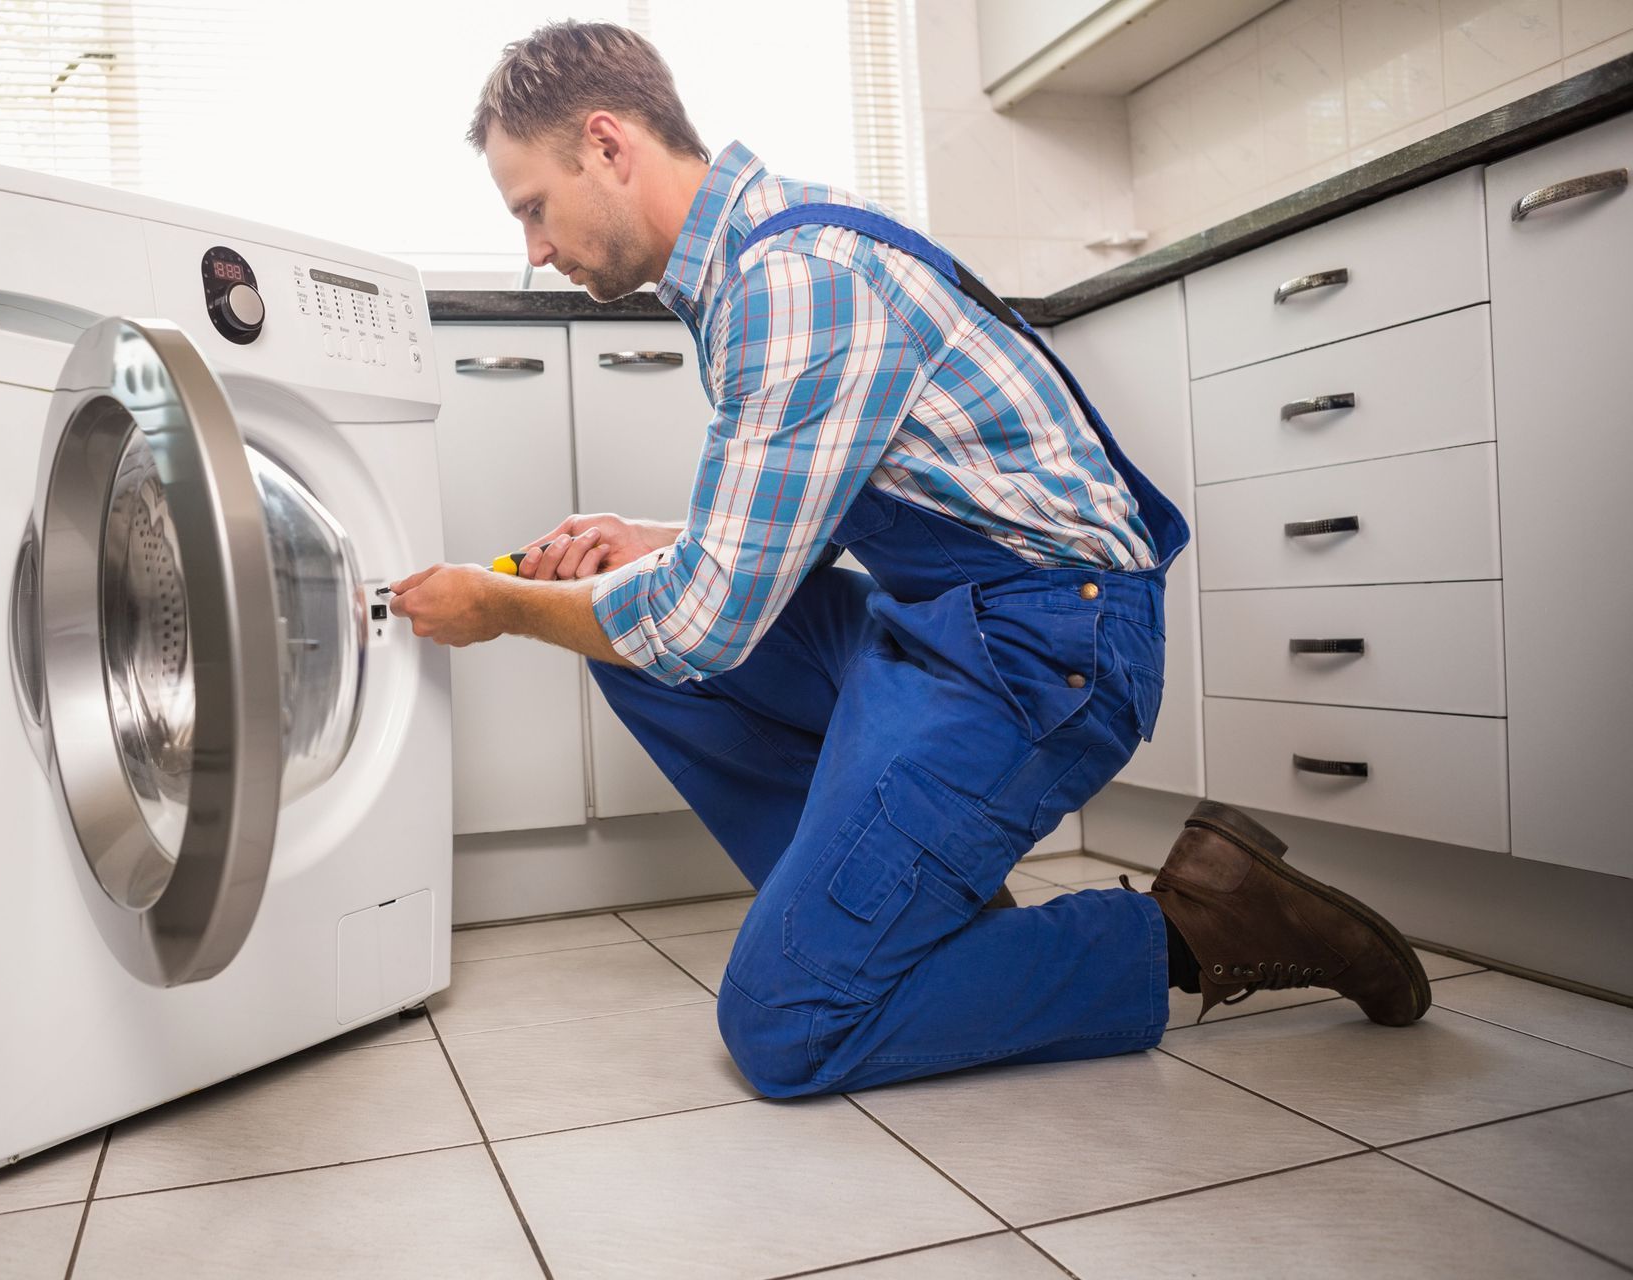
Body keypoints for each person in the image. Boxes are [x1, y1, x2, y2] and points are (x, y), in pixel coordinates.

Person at [387, 20, 1429, 1098]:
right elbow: (838, 493)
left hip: (1049, 645)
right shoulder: (757, 257)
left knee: (786, 1025)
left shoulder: (789, 280)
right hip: (944, 620)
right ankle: (905, 916)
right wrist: (660, 539)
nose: (535, 252)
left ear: (605, 145)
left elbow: (704, 621)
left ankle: (1195, 924)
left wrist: (501, 606)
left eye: (532, 208)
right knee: (627, 633)